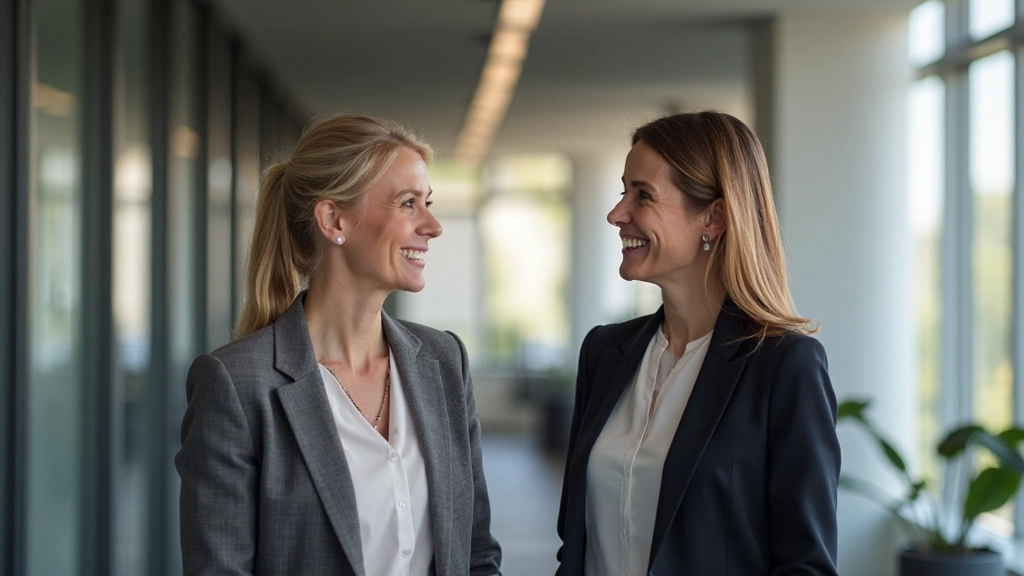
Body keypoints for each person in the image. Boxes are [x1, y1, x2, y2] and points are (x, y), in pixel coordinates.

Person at [175, 114, 501, 576]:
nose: (432, 225)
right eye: (408, 203)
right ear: (333, 219)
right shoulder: (237, 385)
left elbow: (476, 555)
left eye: (427, 202)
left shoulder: (445, 362)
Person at [555, 111, 841, 576]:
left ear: (714, 217)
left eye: (642, 195)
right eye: (622, 190)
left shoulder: (785, 365)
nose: (616, 214)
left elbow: (806, 565)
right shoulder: (605, 353)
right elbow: (576, 544)